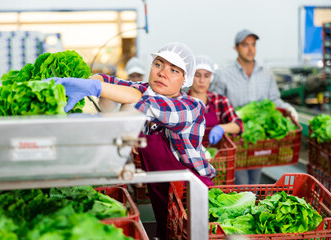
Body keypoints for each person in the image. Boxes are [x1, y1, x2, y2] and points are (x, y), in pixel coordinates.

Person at [46, 42, 216, 240]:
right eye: (158, 64)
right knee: (166, 232)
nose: (163, 73)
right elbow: (118, 84)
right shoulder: (147, 89)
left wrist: (95, 87)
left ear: (184, 80)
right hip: (161, 191)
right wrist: (94, 79)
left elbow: (144, 103)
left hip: (190, 195)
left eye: (174, 70)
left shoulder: (190, 107)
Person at [211, 29, 298, 185]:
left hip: (257, 139)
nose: (250, 49)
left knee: (255, 182)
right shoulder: (224, 74)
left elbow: (274, 100)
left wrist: (288, 109)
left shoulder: (266, 74)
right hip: (235, 140)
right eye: (245, 45)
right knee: (242, 183)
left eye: (253, 44)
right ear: (236, 48)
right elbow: (214, 103)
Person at [188, 56, 243, 145]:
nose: (202, 80)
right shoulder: (181, 102)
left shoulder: (220, 101)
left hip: (215, 155)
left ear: (212, 78)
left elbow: (238, 125)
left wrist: (221, 128)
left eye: (206, 76)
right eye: (197, 75)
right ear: (190, 77)